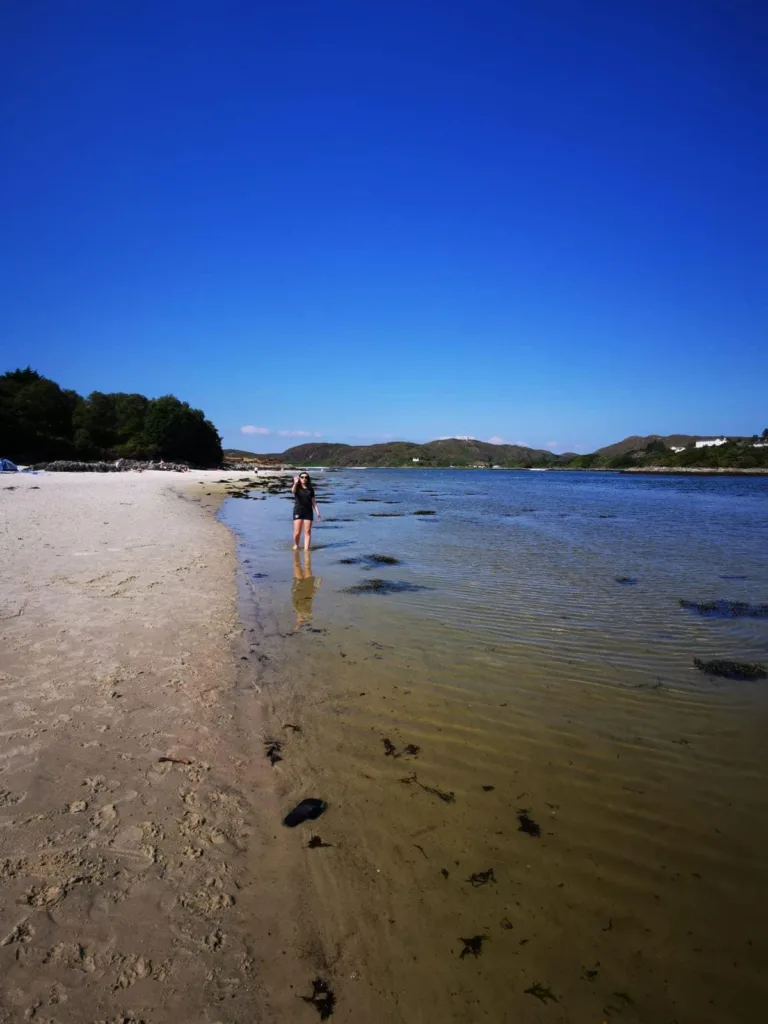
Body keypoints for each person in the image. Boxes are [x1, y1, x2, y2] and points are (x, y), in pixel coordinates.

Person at [291, 471, 321, 549]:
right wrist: (295, 483)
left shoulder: (310, 489)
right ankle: (296, 544)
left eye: (306, 477)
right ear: (299, 478)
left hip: (308, 512)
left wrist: (318, 512)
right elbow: (293, 491)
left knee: (307, 532)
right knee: (297, 532)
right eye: (302, 477)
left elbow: (313, 502)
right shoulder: (297, 487)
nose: (304, 479)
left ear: (308, 479)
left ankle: (306, 550)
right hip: (298, 511)